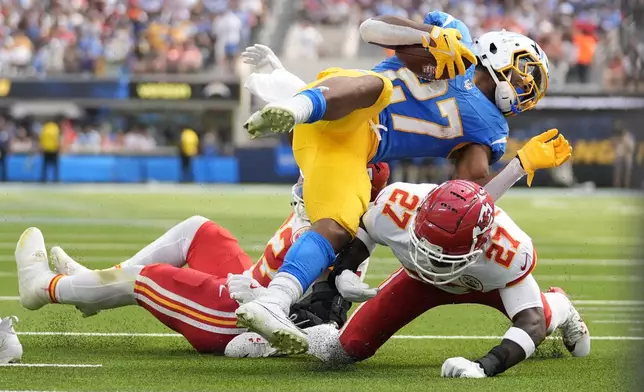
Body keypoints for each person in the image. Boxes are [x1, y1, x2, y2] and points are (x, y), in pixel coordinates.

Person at [235, 13, 571, 354]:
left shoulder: (490, 129)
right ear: (499, 52)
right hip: (338, 106)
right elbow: (369, 29)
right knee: (378, 88)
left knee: (337, 228)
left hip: (351, 150)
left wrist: (520, 165)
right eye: (522, 73)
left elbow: (469, 199)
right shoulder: (459, 41)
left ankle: (273, 302)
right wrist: (431, 36)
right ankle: (294, 106)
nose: (526, 87)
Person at [12, 164, 390, 357]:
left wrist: (260, 309)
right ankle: (96, 283)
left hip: (236, 317)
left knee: (144, 280)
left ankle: (44, 288)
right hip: (249, 284)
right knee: (198, 229)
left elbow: (325, 322)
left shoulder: (349, 240)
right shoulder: (331, 212)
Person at [303, 180, 590, 378]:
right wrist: (344, 270)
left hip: (483, 285)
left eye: (442, 255)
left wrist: (484, 366)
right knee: (344, 349)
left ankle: (560, 304)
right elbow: (367, 230)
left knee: (544, 318)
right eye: (425, 245)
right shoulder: (397, 204)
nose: (432, 259)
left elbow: (533, 324)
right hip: (417, 281)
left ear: (481, 242)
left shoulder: (507, 252)